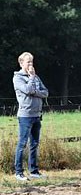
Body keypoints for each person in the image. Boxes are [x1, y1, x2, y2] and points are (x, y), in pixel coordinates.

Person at [13, 52, 49, 181]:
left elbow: (45, 92)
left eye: (32, 62)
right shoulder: (18, 78)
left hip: (36, 115)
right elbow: (28, 90)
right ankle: (18, 172)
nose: (31, 64)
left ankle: (33, 171)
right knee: (22, 144)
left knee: (34, 144)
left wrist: (35, 91)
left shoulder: (36, 77)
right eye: (28, 62)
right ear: (21, 63)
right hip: (25, 116)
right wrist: (32, 78)